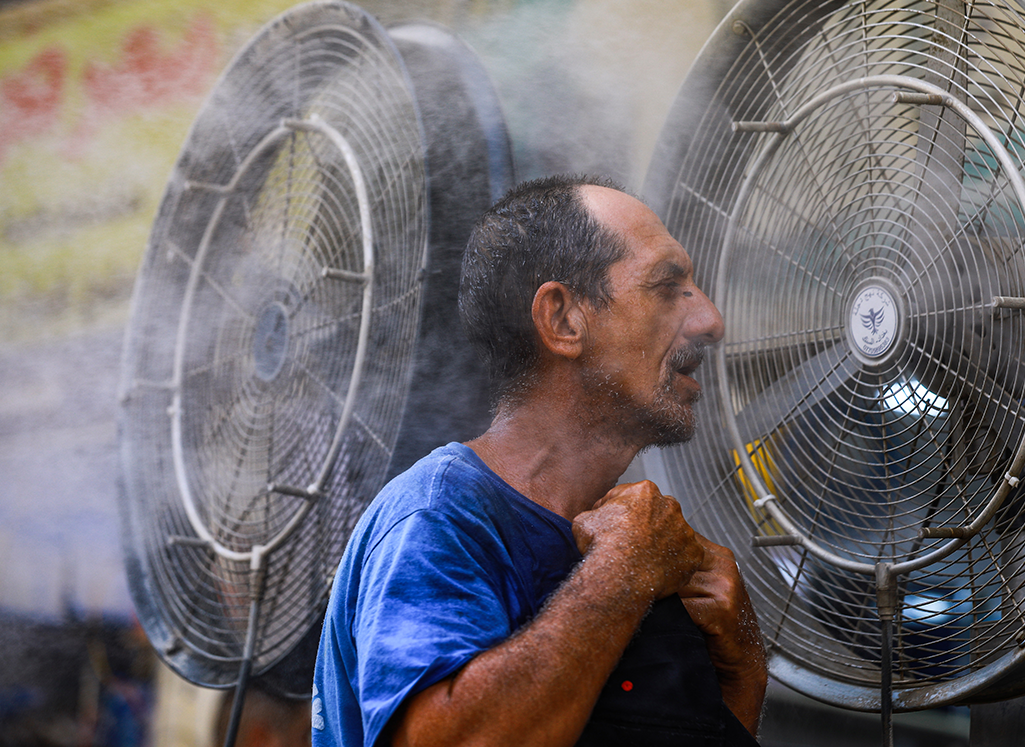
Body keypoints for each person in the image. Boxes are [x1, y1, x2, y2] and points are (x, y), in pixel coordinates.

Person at [312, 175, 768, 747]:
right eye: (668, 286)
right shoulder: (438, 517)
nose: (710, 322)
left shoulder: (654, 546)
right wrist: (621, 573)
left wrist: (742, 671)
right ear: (562, 320)